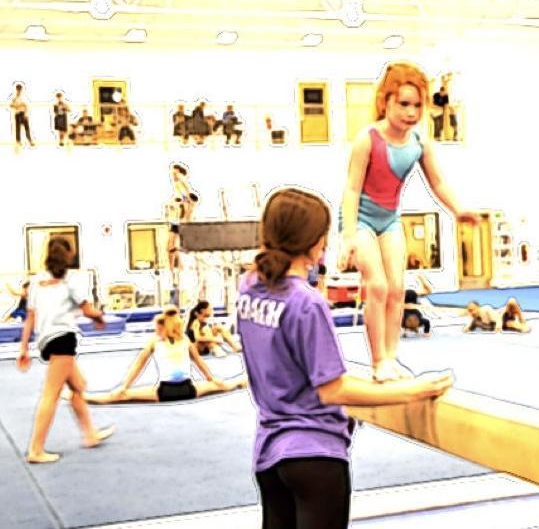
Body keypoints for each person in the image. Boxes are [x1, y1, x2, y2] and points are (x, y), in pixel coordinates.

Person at [239, 187, 453, 529]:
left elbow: (300, 368)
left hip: (269, 454)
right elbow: (332, 389)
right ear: (317, 242)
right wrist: (415, 390)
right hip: (313, 455)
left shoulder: (249, 288)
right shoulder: (306, 302)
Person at [339, 62, 478, 382]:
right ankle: (378, 362)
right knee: (377, 286)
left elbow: (438, 182)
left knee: (398, 288)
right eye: (403, 103)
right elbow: (352, 189)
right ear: (385, 101)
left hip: (389, 220)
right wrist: (348, 236)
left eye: (417, 105)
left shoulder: (419, 144)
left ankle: (390, 358)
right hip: (361, 220)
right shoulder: (367, 139)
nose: (411, 112)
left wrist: (458, 210)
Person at [16, 237, 114, 463]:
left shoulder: (36, 281)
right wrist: (100, 317)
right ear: (68, 254)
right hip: (63, 339)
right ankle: (35, 450)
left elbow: (30, 317)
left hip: (47, 339)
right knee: (50, 394)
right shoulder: (70, 279)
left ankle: (89, 434)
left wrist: (24, 348)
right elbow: (88, 310)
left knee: (78, 385)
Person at [81, 306, 246, 404]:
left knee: (120, 395)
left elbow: (138, 366)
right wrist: (211, 379)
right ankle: (245, 381)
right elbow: (199, 363)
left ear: (163, 327)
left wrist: (124, 387)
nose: (156, 331)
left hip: (164, 392)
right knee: (225, 385)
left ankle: (86, 397)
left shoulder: (155, 341)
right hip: (189, 390)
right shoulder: (184, 340)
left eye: (157, 328)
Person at [10, 82, 35, 148]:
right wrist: (17, 106)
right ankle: (18, 142)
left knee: (27, 128)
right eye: (18, 89)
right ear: (16, 89)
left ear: (21, 89)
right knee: (18, 128)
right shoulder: (14, 97)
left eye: (20, 89)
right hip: (17, 114)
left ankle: (30, 140)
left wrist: (26, 114)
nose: (19, 90)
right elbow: (11, 105)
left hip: (23, 114)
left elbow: (26, 106)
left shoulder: (23, 97)